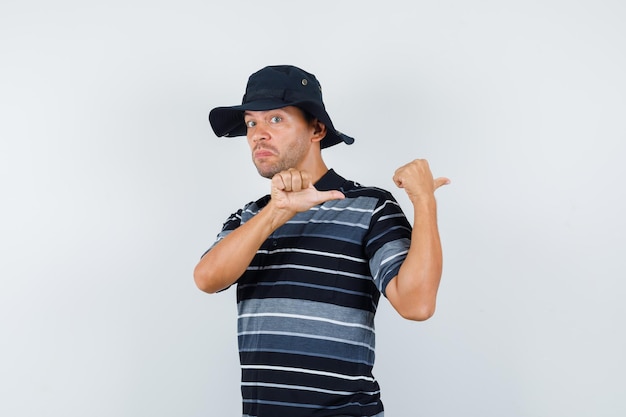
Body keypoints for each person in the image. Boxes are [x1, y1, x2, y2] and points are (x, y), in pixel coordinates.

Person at [194, 65, 449, 417]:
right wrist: (276, 213)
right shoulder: (250, 217)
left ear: (316, 128)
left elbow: (417, 304)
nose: (258, 135)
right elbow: (207, 279)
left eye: (276, 120)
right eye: (252, 122)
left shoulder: (370, 206)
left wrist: (424, 202)